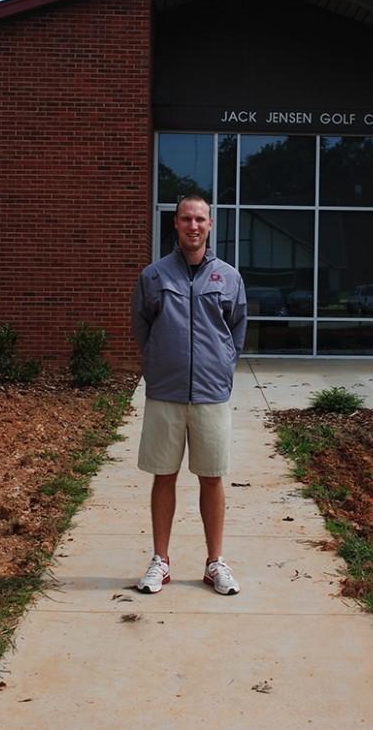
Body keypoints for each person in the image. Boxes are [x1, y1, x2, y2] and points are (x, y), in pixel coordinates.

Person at [131, 194, 247, 595]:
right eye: (186, 219)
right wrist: (157, 365)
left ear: (210, 226)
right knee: (164, 476)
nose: (193, 225)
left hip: (211, 395)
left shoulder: (229, 277)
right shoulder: (154, 275)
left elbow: (237, 331)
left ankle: (215, 562)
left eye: (200, 219)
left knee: (211, 478)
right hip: (166, 393)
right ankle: (160, 562)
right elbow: (142, 327)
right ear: (175, 224)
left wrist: (221, 366)